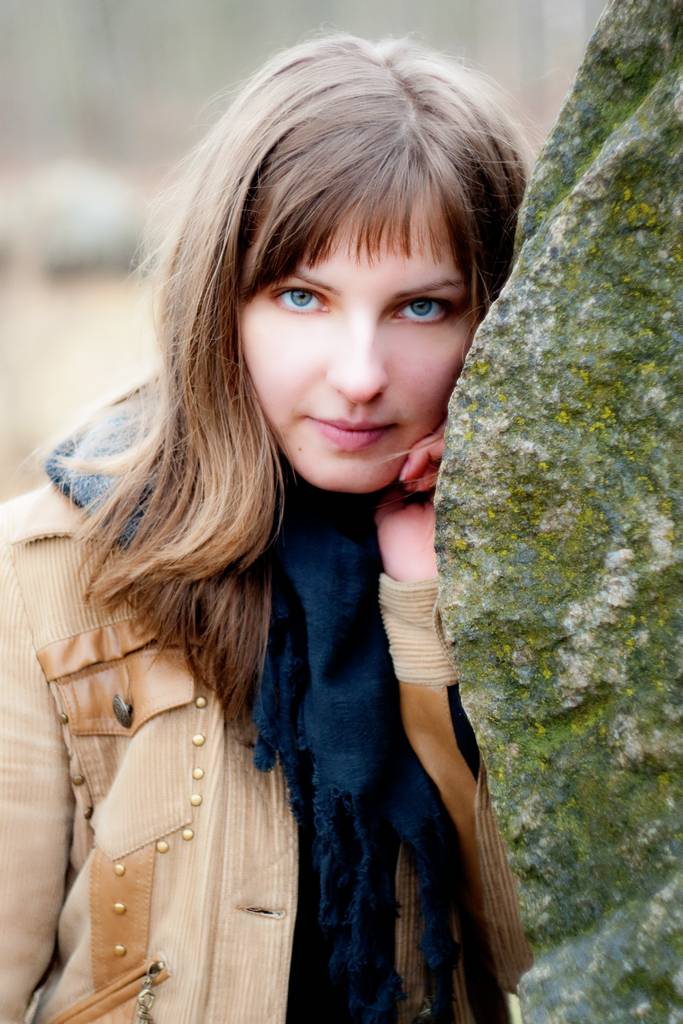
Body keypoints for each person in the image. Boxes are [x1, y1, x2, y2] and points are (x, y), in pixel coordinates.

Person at [0, 33, 534, 1024]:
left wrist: (428, 608)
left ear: (495, 319)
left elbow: (536, 949)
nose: (360, 374)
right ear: (220, 301)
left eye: (422, 307)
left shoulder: (541, 564)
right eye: (301, 296)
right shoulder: (45, 570)